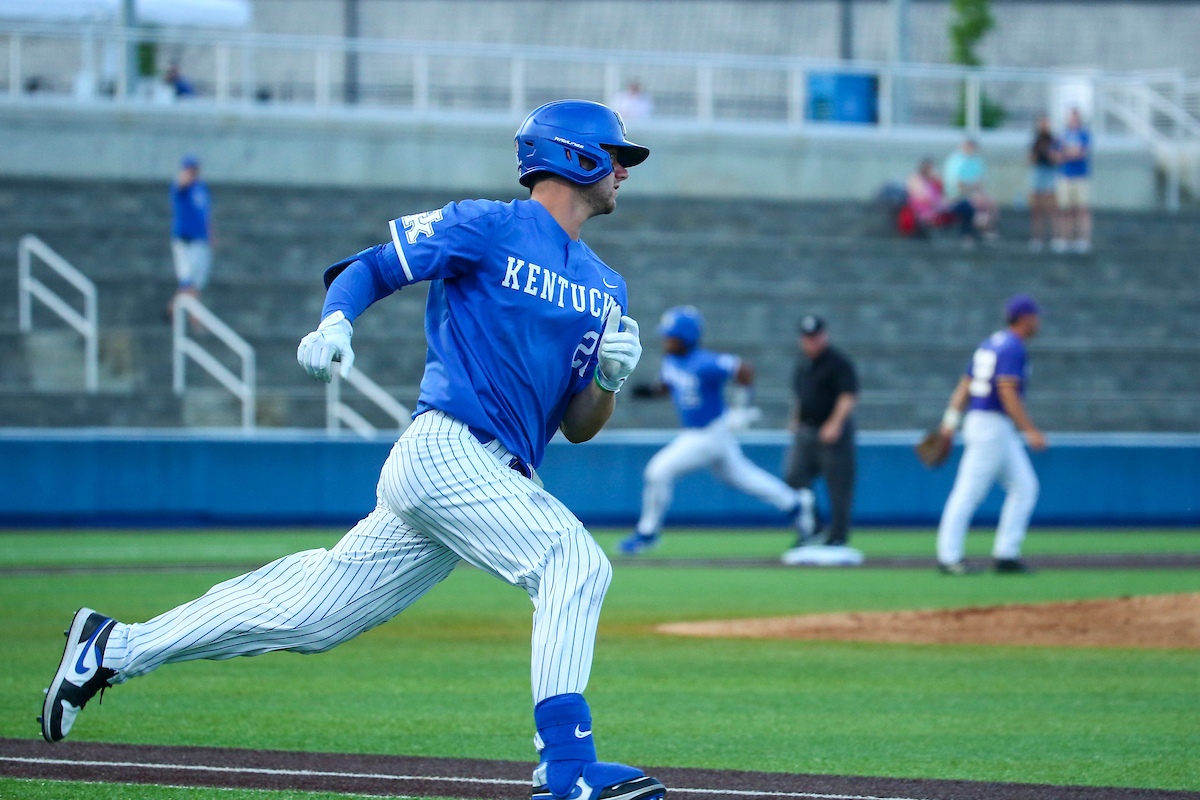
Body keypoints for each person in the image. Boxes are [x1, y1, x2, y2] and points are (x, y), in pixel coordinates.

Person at [40, 100, 667, 800]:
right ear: (573, 156)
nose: (623, 170)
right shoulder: (487, 225)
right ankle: (568, 769)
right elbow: (372, 267)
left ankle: (113, 647)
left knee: (313, 617)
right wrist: (335, 323)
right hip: (447, 450)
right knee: (572, 562)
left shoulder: (607, 285)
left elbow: (580, 425)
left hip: (487, 478)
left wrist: (609, 380)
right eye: (615, 155)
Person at [619, 306, 809, 556]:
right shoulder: (673, 360)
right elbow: (671, 384)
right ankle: (795, 503)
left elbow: (744, 369)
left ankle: (647, 532)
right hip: (701, 434)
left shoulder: (704, 361)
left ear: (685, 337)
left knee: (658, 472)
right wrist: (652, 392)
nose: (665, 340)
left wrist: (743, 407)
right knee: (743, 478)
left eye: (671, 336)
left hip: (708, 433)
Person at [935, 294, 1046, 576]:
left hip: (990, 424)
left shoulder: (992, 342)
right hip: (991, 425)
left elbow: (965, 384)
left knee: (1025, 487)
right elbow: (1007, 391)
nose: (1038, 321)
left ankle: (1006, 554)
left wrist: (950, 421)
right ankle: (949, 557)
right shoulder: (1013, 347)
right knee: (968, 492)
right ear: (1025, 318)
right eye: (1035, 316)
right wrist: (1030, 431)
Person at [783, 315, 861, 564]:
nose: (811, 342)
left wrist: (835, 423)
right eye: (807, 338)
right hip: (807, 430)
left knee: (838, 484)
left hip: (832, 432)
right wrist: (795, 418)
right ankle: (813, 526)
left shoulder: (837, 362)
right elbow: (800, 396)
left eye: (815, 337)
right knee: (794, 476)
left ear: (824, 336)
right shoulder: (803, 364)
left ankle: (838, 535)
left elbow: (848, 395)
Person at [169, 155, 213, 313]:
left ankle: (186, 317)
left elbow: (205, 214)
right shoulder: (182, 185)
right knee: (186, 282)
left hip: (200, 240)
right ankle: (174, 314)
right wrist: (186, 175)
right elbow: (180, 184)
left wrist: (211, 235)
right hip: (185, 240)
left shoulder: (201, 188)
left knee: (197, 284)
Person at [942, 138, 998, 242]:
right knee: (975, 202)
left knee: (990, 202)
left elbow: (982, 181)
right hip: (957, 196)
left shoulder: (977, 161)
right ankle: (977, 230)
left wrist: (975, 188)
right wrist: (972, 188)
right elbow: (956, 184)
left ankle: (985, 227)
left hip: (974, 194)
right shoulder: (955, 161)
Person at [1054, 108, 1092, 253]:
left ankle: (1083, 240)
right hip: (1064, 176)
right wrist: (1070, 152)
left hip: (1081, 176)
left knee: (1082, 209)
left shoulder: (1084, 134)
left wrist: (1066, 153)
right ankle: (1065, 239)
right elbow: (1055, 155)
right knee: (1065, 210)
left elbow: (1081, 153)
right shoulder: (1062, 134)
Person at [1028, 116, 1058, 251]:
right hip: (1037, 172)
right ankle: (1037, 237)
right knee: (1037, 209)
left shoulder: (1053, 139)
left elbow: (1056, 159)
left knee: (1051, 207)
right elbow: (1031, 158)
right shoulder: (1034, 139)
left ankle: (1054, 237)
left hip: (1050, 173)